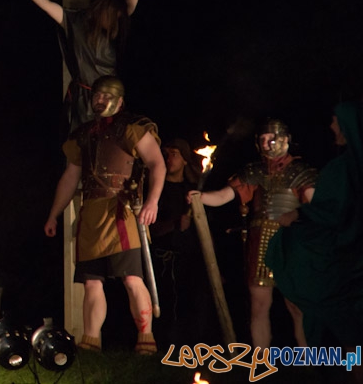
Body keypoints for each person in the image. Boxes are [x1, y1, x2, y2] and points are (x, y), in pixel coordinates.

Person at [44, 76, 165, 354]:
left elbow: (157, 164)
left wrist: (153, 202)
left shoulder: (133, 127)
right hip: (91, 214)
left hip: (122, 211)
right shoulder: (84, 134)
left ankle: (146, 338)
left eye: (106, 96)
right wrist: (53, 215)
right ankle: (91, 341)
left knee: (132, 278)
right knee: (91, 282)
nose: (99, 101)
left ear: (120, 101)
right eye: (96, 96)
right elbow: (70, 177)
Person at [191, 118, 316, 349]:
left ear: (285, 140)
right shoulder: (254, 172)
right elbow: (224, 195)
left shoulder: (301, 172)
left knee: (297, 307)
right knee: (258, 306)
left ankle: (308, 361)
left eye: (271, 138)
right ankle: (262, 360)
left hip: (291, 241)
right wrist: (201, 198)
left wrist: (297, 217)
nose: (267, 143)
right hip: (261, 243)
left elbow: (314, 207)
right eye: (263, 139)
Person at [0, 0, 156, 133]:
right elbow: (46, 4)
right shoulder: (78, 23)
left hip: (110, 95)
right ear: (102, 11)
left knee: (112, 136)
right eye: (113, 16)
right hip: (85, 100)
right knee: (82, 138)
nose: (116, 20)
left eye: (118, 17)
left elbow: (128, 8)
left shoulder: (116, 24)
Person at [266, 102, 363, 357]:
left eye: (335, 122)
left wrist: (299, 214)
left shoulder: (345, 168)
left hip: (348, 259)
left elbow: (335, 210)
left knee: (351, 329)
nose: (331, 126)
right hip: (347, 254)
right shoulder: (344, 166)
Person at [149, 138, 212, 347]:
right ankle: (164, 346)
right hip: (163, 261)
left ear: (185, 159)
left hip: (191, 260)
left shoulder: (192, 191)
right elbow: (149, 228)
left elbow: (207, 228)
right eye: (166, 154)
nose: (169, 158)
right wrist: (175, 223)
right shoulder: (156, 191)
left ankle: (193, 346)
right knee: (165, 305)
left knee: (194, 304)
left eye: (174, 153)